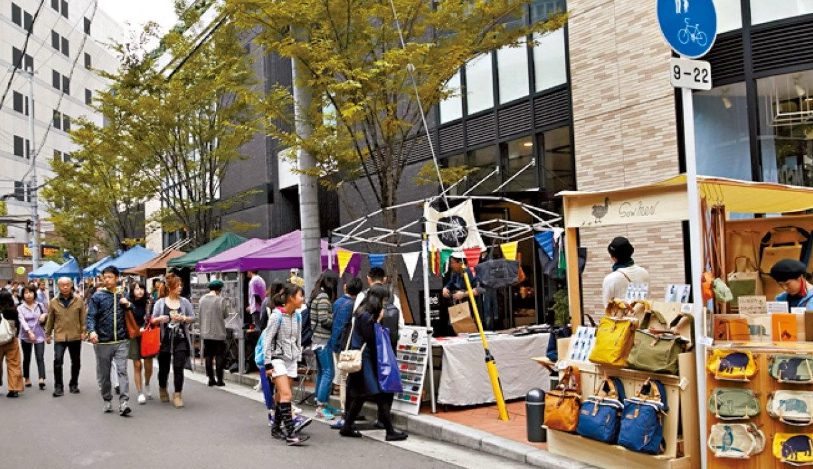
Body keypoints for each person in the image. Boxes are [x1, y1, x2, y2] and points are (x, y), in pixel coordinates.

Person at [340, 284, 408, 441]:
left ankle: (347, 426)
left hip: (363, 359)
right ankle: (390, 432)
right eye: (384, 299)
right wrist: (378, 322)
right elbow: (372, 340)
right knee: (380, 395)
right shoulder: (367, 317)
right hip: (366, 360)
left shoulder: (361, 312)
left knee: (360, 395)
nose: (385, 303)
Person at [263, 283, 309, 445]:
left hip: (291, 359)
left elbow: (297, 339)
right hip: (277, 359)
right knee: (287, 395)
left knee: (282, 395)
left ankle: (276, 428)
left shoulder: (298, 316)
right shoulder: (277, 316)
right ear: (291, 298)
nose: (303, 299)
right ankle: (291, 433)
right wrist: (268, 364)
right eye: (300, 295)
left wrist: (298, 356)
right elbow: (267, 341)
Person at [87, 266, 133, 416]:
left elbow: (133, 312)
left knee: (122, 371)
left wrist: (128, 305)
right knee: (104, 374)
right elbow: (91, 316)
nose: (106, 280)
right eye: (104, 277)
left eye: (110, 277)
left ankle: (124, 402)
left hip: (121, 340)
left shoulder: (123, 294)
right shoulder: (97, 297)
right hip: (103, 341)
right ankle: (107, 399)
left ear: (117, 278)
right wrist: (92, 331)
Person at [150, 273, 195, 408]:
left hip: (180, 338)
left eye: (181, 285)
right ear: (170, 288)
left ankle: (177, 394)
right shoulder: (160, 303)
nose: (180, 288)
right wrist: (159, 319)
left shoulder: (184, 302)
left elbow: (192, 317)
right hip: (164, 339)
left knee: (178, 367)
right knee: (163, 368)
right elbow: (152, 320)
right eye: (177, 286)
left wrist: (183, 318)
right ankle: (162, 387)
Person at [328, 277, 363, 428]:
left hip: (335, 343)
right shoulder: (355, 305)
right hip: (347, 345)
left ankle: (347, 410)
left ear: (345, 288)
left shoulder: (336, 303)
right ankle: (346, 410)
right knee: (346, 379)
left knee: (343, 378)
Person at [45, 277, 86, 397]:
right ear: (58, 287)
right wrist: (47, 334)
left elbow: (83, 317)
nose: (66, 287)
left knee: (76, 361)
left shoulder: (78, 300)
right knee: (57, 361)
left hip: (75, 335)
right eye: (63, 285)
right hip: (60, 336)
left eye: (68, 284)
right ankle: (58, 386)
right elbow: (50, 319)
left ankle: (74, 383)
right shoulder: (54, 301)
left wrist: (84, 331)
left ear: (71, 285)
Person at [308, 270, 340, 420]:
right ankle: (321, 406)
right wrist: (336, 318)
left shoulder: (317, 295)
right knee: (329, 373)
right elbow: (324, 320)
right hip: (323, 340)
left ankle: (322, 403)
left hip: (317, 340)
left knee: (322, 372)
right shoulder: (323, 298)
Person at [442, 252, 488, 330]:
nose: (451, 265)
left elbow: (480, 289)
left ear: (460, 263)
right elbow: (449, 284)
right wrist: (445, 289)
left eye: (452, 263)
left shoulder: (471, 272)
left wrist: (464, 294)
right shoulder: (456, 274)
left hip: (473, 308)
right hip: (460, 308)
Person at [199, 279, 231, 387]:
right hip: (218, 332)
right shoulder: (220, 300)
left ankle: (210, 379)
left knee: (208, 355)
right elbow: (226, 315)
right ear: (219, 290)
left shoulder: (202, 299)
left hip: (205, 332)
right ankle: (220, 380)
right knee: (219, 356)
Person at [602, 236, 650, 305]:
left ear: (613, 257)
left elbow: (608, 307)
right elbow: (647, 301)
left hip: (622, 315)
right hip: (642, 314)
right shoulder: (644, 272)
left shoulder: (610, 279)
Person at [17, 284, 48, 390]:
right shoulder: (20, 308)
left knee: (40, 357)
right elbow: (22, 320)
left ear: (34, 294)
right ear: (23, 295)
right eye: (26, 293)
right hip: (26, 336)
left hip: (39, 334)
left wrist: (44, 315)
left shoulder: (40, 305)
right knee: (27, 357)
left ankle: (41, 378)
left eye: (30, 292)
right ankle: (26, 377)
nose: (28, 295)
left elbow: (47, 314)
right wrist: (29, 332)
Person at [127, 282, 153, 404]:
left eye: (141, 288)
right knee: (137, 365)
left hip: (147, 334)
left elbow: (153, 317)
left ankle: (147, 382)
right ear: (132, 291)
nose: (140, 291)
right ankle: (139, 392)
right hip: (133, 334)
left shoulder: (149, 302)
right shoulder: (127, 303)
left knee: (148, 365)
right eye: (137, 289)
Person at [0, 290, 23, 397]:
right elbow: (18, 324)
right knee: (14, 364)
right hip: (11, 339)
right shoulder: (13, 310)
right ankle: (14, 389)